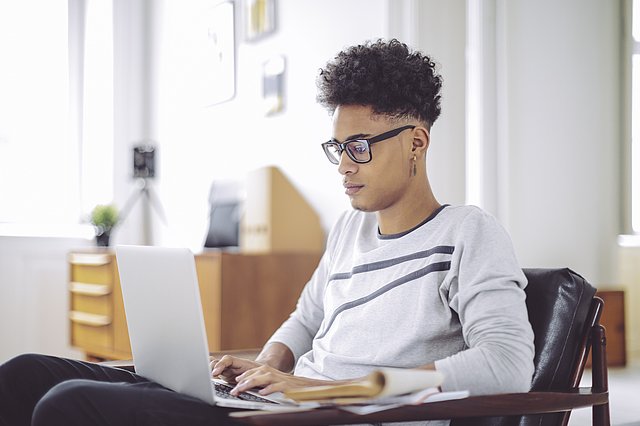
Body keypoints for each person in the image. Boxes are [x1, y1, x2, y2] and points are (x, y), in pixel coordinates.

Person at [0, 39, 534, 426]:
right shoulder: (351, 228)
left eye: (360, 147)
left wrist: (328, 390)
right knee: (24, 374)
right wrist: (267, 365)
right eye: (337, 148)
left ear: (416, 142)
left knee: (65, 405)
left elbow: (507, 365)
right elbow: (306, 319)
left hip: (334, 416)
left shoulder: (469, 233)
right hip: (282, 405)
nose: (344, 165)